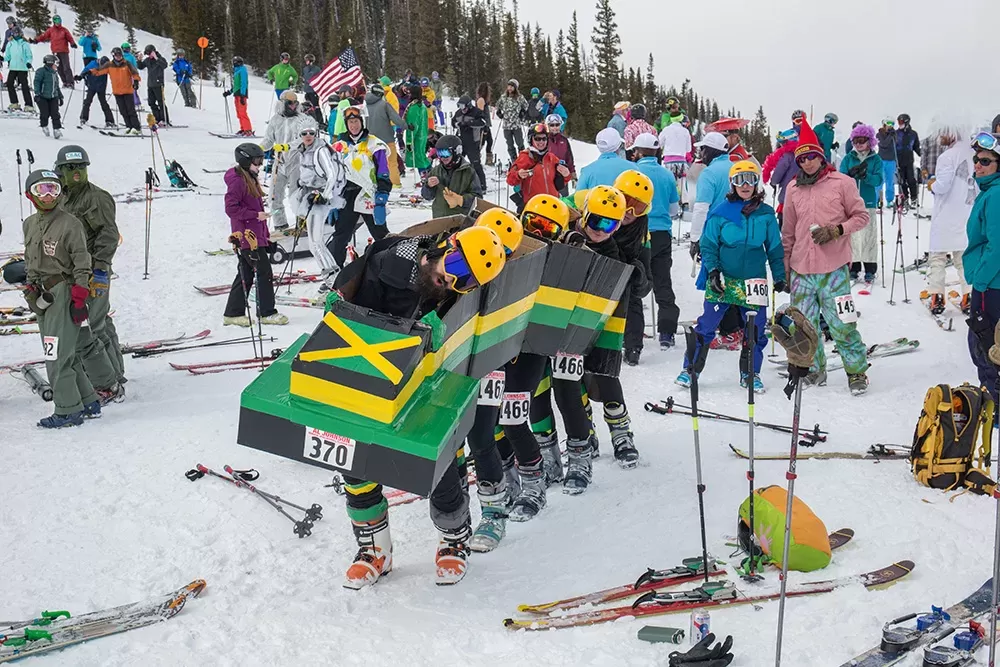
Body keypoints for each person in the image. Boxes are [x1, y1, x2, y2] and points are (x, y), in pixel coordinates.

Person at [335, 225, 507, 588]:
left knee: (437, 457)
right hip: (369, 368)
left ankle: (454, 538)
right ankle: (373, 548)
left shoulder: (445, 288)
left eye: (465, 281)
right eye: (455, 265)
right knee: (356, 456)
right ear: (446, 246)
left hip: (427, 379)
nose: (452, 279)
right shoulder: (393, 265)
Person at [676, 160, 784, 393]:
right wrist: (713, 271)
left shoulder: (765, 214)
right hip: (724, 279)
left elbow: (774, 247)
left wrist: (779, 275)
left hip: (753, 281)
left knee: (755, 329)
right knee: (706, 325)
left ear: (757, 183)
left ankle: (750, 372)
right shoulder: (720, 212)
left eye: (750, 180)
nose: (745, 185)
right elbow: (709, 245)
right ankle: (690, 369)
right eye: (739, 180)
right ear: (732, 184)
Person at [781, 121, 871, 394]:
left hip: (834, 270)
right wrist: (786, 268)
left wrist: (837, 230)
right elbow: (788, 231)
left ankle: (856, 372)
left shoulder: (842, 183)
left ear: (821, 156)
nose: (807, 162)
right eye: (802, 159)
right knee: (803, 327)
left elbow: (861, 216)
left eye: (811, 156)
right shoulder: (793, 188)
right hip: (801, 270)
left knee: (843, 324)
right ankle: (813, 370)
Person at [21, 169, 99, 428]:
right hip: (42, 295)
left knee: (56, 355)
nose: (48, 196)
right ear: (30, 194)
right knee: (66, 352)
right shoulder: (29, 224)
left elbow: (82, 261)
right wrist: (31, 286)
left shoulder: (70, 223)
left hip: (64, 292)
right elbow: (31, 258)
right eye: (41, 190)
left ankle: (68, 410)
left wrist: (79, 296)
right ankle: (88, 401)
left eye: (53, 189)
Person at [55, 144, 127, 397]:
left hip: (93, 271)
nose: (76, 172)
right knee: (101, 321)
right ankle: (115, 371)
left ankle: (107, 382)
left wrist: (100, 270)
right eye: (70, 168)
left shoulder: (96, 197)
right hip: (74, 271)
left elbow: (109, 235)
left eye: (80, 167)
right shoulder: (62, 196)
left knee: (92, 326)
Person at [223, 143, 289, 327]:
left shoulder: (249, 177)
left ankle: (233, 313)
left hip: (253, 235)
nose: (259, 165)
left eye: (261, 161)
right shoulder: (238, 181)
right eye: (257, 161)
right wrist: (254, 215)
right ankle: (266, 312)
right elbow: (231, 209)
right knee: (264, 272)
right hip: (246, 237)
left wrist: (265, 236)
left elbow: (254, 208)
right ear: (245, 161)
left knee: (245, 274)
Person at [632, 133, 681, 350]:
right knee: (663, 281)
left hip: (638, 232)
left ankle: (632, 332)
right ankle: (667, 331)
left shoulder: (632, 173)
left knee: (633, 281)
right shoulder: (667, 174)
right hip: (661, 233)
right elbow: (674, 209)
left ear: (638, 152)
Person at [328, 106, 391, 269]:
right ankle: (335, 272)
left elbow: (383, 172)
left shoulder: (375, 144)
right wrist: (332, 201)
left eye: (356, 121)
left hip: (368, 195)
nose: (354, 126)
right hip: (346, 196)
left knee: (380, 235)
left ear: (362, 122)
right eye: (350, 123)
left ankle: (390, 267)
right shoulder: (338, 146)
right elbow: (332, 175)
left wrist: (382, 196)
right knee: (341, 236)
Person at [964, 132, 1000, 401]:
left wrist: (980, 280)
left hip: (991, 285)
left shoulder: (995, 195)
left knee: (986, 346)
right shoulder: (990, 192)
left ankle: (993, 405)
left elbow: (997, 245)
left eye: (986, 161)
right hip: (990, 282)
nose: (978, 165)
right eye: (977, 159)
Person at [926, 125, 975, 315]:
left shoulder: (947, 156)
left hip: (946, 213)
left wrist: (932, 184)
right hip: (967, 211)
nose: (940, 136)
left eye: (943, 132)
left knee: (938, 257)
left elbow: (943, 186)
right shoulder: (972, 153)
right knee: (963, 258)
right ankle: (969, 295)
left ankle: (937, 296)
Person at [611, 164, 656, 366]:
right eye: (626, 201)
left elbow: (645, 286)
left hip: (623, 273)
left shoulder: (642, 235)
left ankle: (633, 346)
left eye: (637, 208)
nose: (629, 211)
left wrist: (639, 277)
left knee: (631, 299)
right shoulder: (595, 200)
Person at [292, 126, 345, 287]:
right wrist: (301, 183)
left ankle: (333, 279)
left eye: (311, 133)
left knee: (315, 243)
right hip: (308, 196)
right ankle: (333, 277)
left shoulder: (320, 150)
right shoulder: (303, 150)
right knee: (315, 243)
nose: (308, 136)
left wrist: (324, 195)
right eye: (304, 133)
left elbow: (331, 175)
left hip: (319, 199)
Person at [260, 91, 317, 231]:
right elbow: (269, 139)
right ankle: (280, 224)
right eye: (289, 103)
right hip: (279, 162)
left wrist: (287, 146)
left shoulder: (302, 119)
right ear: (282, 104)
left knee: (297, 195)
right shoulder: (275, 120)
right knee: (274, 195)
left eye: (295, 103)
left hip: (297, 161)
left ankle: (302, 224)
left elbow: (305, 139)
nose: (293, 106)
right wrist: (260, 149)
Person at [839, 124, 884, 284]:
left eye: (862, 140)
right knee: (853, 235)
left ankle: (870, 268)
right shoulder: (848, 158)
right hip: (851, 202)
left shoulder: (875, 159)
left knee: (868, 235)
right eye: (855, 141)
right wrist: (850, 176)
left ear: (869, 141)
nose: (858, 144)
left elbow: (879, 180)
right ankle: (854, 267)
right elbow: (840, 179)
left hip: (868, 201)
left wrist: (866, 177)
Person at [506, 123, 568, 210]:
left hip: (552, 206)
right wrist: (518, 175)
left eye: (544, 138)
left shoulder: (552, 158)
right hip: (534, 208)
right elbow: (510, 179)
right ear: (531, 140)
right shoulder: (525, 157)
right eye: (537, 139)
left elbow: (560, 183)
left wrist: (566, 175)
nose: (541, 142)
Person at [421, 134, 482, 217]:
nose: (443, 157)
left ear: (456, 151)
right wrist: (428, 186)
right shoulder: (436, 171)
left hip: (461, 219)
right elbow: (427, 196)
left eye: (445, 153)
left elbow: (478, 199)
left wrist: (461, 200)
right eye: (439, 153)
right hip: (440, 219)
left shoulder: (468, 172)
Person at [88, 47, 141, 134]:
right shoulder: (109, 65)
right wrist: (89, 72)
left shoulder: (127, 63)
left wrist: (136, 81)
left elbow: (135, 73)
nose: (118, 57)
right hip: (117, 92)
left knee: (130, 110)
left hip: (127, 91)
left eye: (120, 55)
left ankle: (136, 127)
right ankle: (129, 126)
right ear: (113, 55)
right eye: (116, 55)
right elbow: (99, 70)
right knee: (123, 110)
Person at [365, 82, 405, 187]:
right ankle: (395, 183)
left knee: (374, 162)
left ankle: (375, 182)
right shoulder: (384, 104)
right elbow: (395, 118)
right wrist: (406, 126)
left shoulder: (365, 106)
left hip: (371, 139)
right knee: (391, 161)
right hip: (387, 138)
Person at [453, 95, 489, 194]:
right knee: (456, 162)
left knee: (476, 164)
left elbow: (483, 122)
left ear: (468, 105)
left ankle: (482, 185)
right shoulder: (458, 113)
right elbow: (453, 121)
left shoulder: (476, 112)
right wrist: (457, 124)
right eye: (459, 106)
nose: (462, 109)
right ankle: (456, 183)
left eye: (463, 106)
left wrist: (469, 123)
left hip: (472, 142)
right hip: (460, 141)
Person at [763, 128, 799, 226]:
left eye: (783, 142)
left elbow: (778, 173)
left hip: (787, 195)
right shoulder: (802, 155)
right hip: (802, 197)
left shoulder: (787, 156)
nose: (781, 145)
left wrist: (773, 182)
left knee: (785, 226)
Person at [32, 15, 76, 88]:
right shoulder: (51, 30)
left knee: (66, 67)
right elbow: (44, 36)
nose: (57, 22)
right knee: (59, 68)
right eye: (56, 21)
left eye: (59, 20)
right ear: (54, 22)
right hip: (55, 51)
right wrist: (36, 40)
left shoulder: (64, 30)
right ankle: (65, 82)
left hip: (64, 51)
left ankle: (70, 82)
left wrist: (72, 43)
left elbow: (70, 38)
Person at [658, 112, 693, 198]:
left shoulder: (666, 130)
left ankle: (670, 199)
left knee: (669, 182)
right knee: (681, 182)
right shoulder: (685, 131)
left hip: (668, 161)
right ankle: (683, 200)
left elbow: (659, 143)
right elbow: (688, 149)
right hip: (681, 161)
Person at [497, 78, 529, 163]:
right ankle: (514, 161)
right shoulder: (503, 97)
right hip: (506, 125)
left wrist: (522, 112)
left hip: (516, 125)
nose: (510, 88)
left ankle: (522, 160)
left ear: (515, 88)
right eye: (509, 86)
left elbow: (526, 106)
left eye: (512, 86)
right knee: (510, 145)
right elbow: (498, 106)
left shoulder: (520, 97)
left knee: (520, 143)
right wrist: (499, 113)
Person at [77, 56, 115, 129]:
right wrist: (80, 77)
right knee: (87, 101)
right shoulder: (92, 64)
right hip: (92, 85)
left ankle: (110, 120)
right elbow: (85, 71)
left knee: (103, 103)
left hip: (101, 86)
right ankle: (83, 118)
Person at [3, 26, 34, 113]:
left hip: (22, 68)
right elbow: (8, 56)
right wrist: (2, 59)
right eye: (14, 33)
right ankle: (14, 103)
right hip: (13, 67)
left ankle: (29, 105)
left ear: (20, 33)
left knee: (24, 86)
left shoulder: (25, 44)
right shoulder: (10, 43)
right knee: (9, 84)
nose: (16, 35)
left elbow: (29, 56)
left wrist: (28, 62)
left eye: (17, 33)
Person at [137, 45, 169, 126]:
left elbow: (164, 65)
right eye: (147, 54)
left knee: (161, 102)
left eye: (150, 53)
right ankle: (157, 119)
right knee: (151, 102)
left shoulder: (160, 59)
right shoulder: (148, 60)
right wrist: (139, 60)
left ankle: (164, 119)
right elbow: (141, 66)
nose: (149, 55)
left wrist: (156, 58)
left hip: (159, 84)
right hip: (150, 85)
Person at [33, 55, 64, 139]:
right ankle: (44, 125)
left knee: (55, 113)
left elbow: (56, 86)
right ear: (50, 63)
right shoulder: (41, 71)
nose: (57, 65)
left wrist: (60, 96)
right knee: (45, 113)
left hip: (53, 96)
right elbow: (37, 82)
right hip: (43, 96)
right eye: (55, 63)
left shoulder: (54, 73)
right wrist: (37, 94)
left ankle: (57, 129)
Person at [403, 83, 431, 177]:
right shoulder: (422, 105)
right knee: (421, 156)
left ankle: (425, 177)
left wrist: (409, 142)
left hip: (415, 137)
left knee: (418, 158)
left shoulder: (414, 108)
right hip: (422, 135)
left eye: (410, 93)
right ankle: (429, 173)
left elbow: (413, 126)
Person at [895, 114, 921, 208]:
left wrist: (922, 154)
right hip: (899, 161)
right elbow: (892, 147)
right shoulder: (896, 134)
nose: (899, 124)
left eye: (901, 122)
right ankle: (904, 198)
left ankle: (914, 198)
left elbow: (916, 147)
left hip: (909, 160)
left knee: (911, 180)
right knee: (901, 181)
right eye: (898, 122)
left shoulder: (913, 134)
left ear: (906, 122)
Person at [545, 114, 576, 195]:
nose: (555, 127)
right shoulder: (544, 140)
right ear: (548, 126)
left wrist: (573, 173)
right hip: (547, 174)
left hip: (562, 174)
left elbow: (569, 158)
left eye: (557, 125)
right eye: (552, 125)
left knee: (563, 198)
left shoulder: (564, 141)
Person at [223, 56, 253, 137]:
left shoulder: (242, 70)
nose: (234, 64)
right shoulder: (237, 71)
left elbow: (243, 83)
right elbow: (236, 85)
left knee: (242, 112)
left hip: (241, 94)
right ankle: (243, 128)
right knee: (239, 113)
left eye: (235, 62)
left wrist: (243, 95)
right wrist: (229, 92)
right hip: (237, 94)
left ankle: (248, 130)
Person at [876, 119, 898, 207]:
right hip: (881, 160)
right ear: (884, 124)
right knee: (880, 181)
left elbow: (895, 144)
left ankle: (889, 200)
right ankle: (878, 200)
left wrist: (892, 135)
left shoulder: (894, 134)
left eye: (892, 123)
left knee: (890, 181)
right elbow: (884, 144)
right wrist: (890, 136)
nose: (890, 125)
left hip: (891, 160)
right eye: (889, 123)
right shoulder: (879, 134)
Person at [475, 82, 494, 166]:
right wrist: (484, 127)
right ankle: (476, 160)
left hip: (485, 125)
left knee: (489, 141)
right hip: (483, 126)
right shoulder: (481, 100)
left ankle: (488, 160)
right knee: (481, 143)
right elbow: (480, 114)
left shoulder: (481, 100)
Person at [301, 54, 322, 121]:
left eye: (307, 60)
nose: (306, 62)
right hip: (307, 91)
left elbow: (319, 78)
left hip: (314, 91)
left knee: (316, 106)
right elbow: (304, 77)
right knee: (308, 107)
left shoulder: (316, 69)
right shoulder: (305, 69)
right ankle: (310, 119)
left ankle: (319, 120)